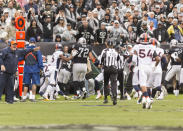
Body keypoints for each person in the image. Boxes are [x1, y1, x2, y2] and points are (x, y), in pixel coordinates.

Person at [0, 40, 40, 104]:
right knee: (1, 86)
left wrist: (33, 49)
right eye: (13, 44)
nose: (15, 46)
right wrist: (1, 65)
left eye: (16, 44)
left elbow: (25, 51)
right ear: (10, 45)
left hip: (11, 73)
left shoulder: (17, 51)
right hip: (4, 72)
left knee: (10, 87)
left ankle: (9, 100)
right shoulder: (4, 51)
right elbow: (0, 58)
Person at [132, 33, 160, 109]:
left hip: (142, 67)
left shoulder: (137, 46)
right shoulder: (152, 47)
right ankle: (144, 100)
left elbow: (133, 58)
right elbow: (158, 59)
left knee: (142, 85)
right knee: (147, 86)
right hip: (150, 68)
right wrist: (155, 66)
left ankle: (148, 98)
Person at [21, 37, 43, 102]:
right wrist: (41, 68)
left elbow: (21, 58)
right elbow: (40, 60)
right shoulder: (37, 50)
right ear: (35, 42)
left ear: (29, 41)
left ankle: (24, 97)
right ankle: (32, 97)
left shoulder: (25, 49)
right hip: (35, 69)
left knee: (26, 84)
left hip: (27, 68)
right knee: (34, 83)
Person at [99, 40, 120, 105]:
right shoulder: (115, 51)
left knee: (106, 83)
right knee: (114, 83)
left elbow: (102, 58)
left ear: (107, 45)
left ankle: (105, 98)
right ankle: (114, 96)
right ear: (112, 45)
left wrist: (100, 64)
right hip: (113, 68)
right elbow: (118, 59)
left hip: (107, 68)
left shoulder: (104, 50)